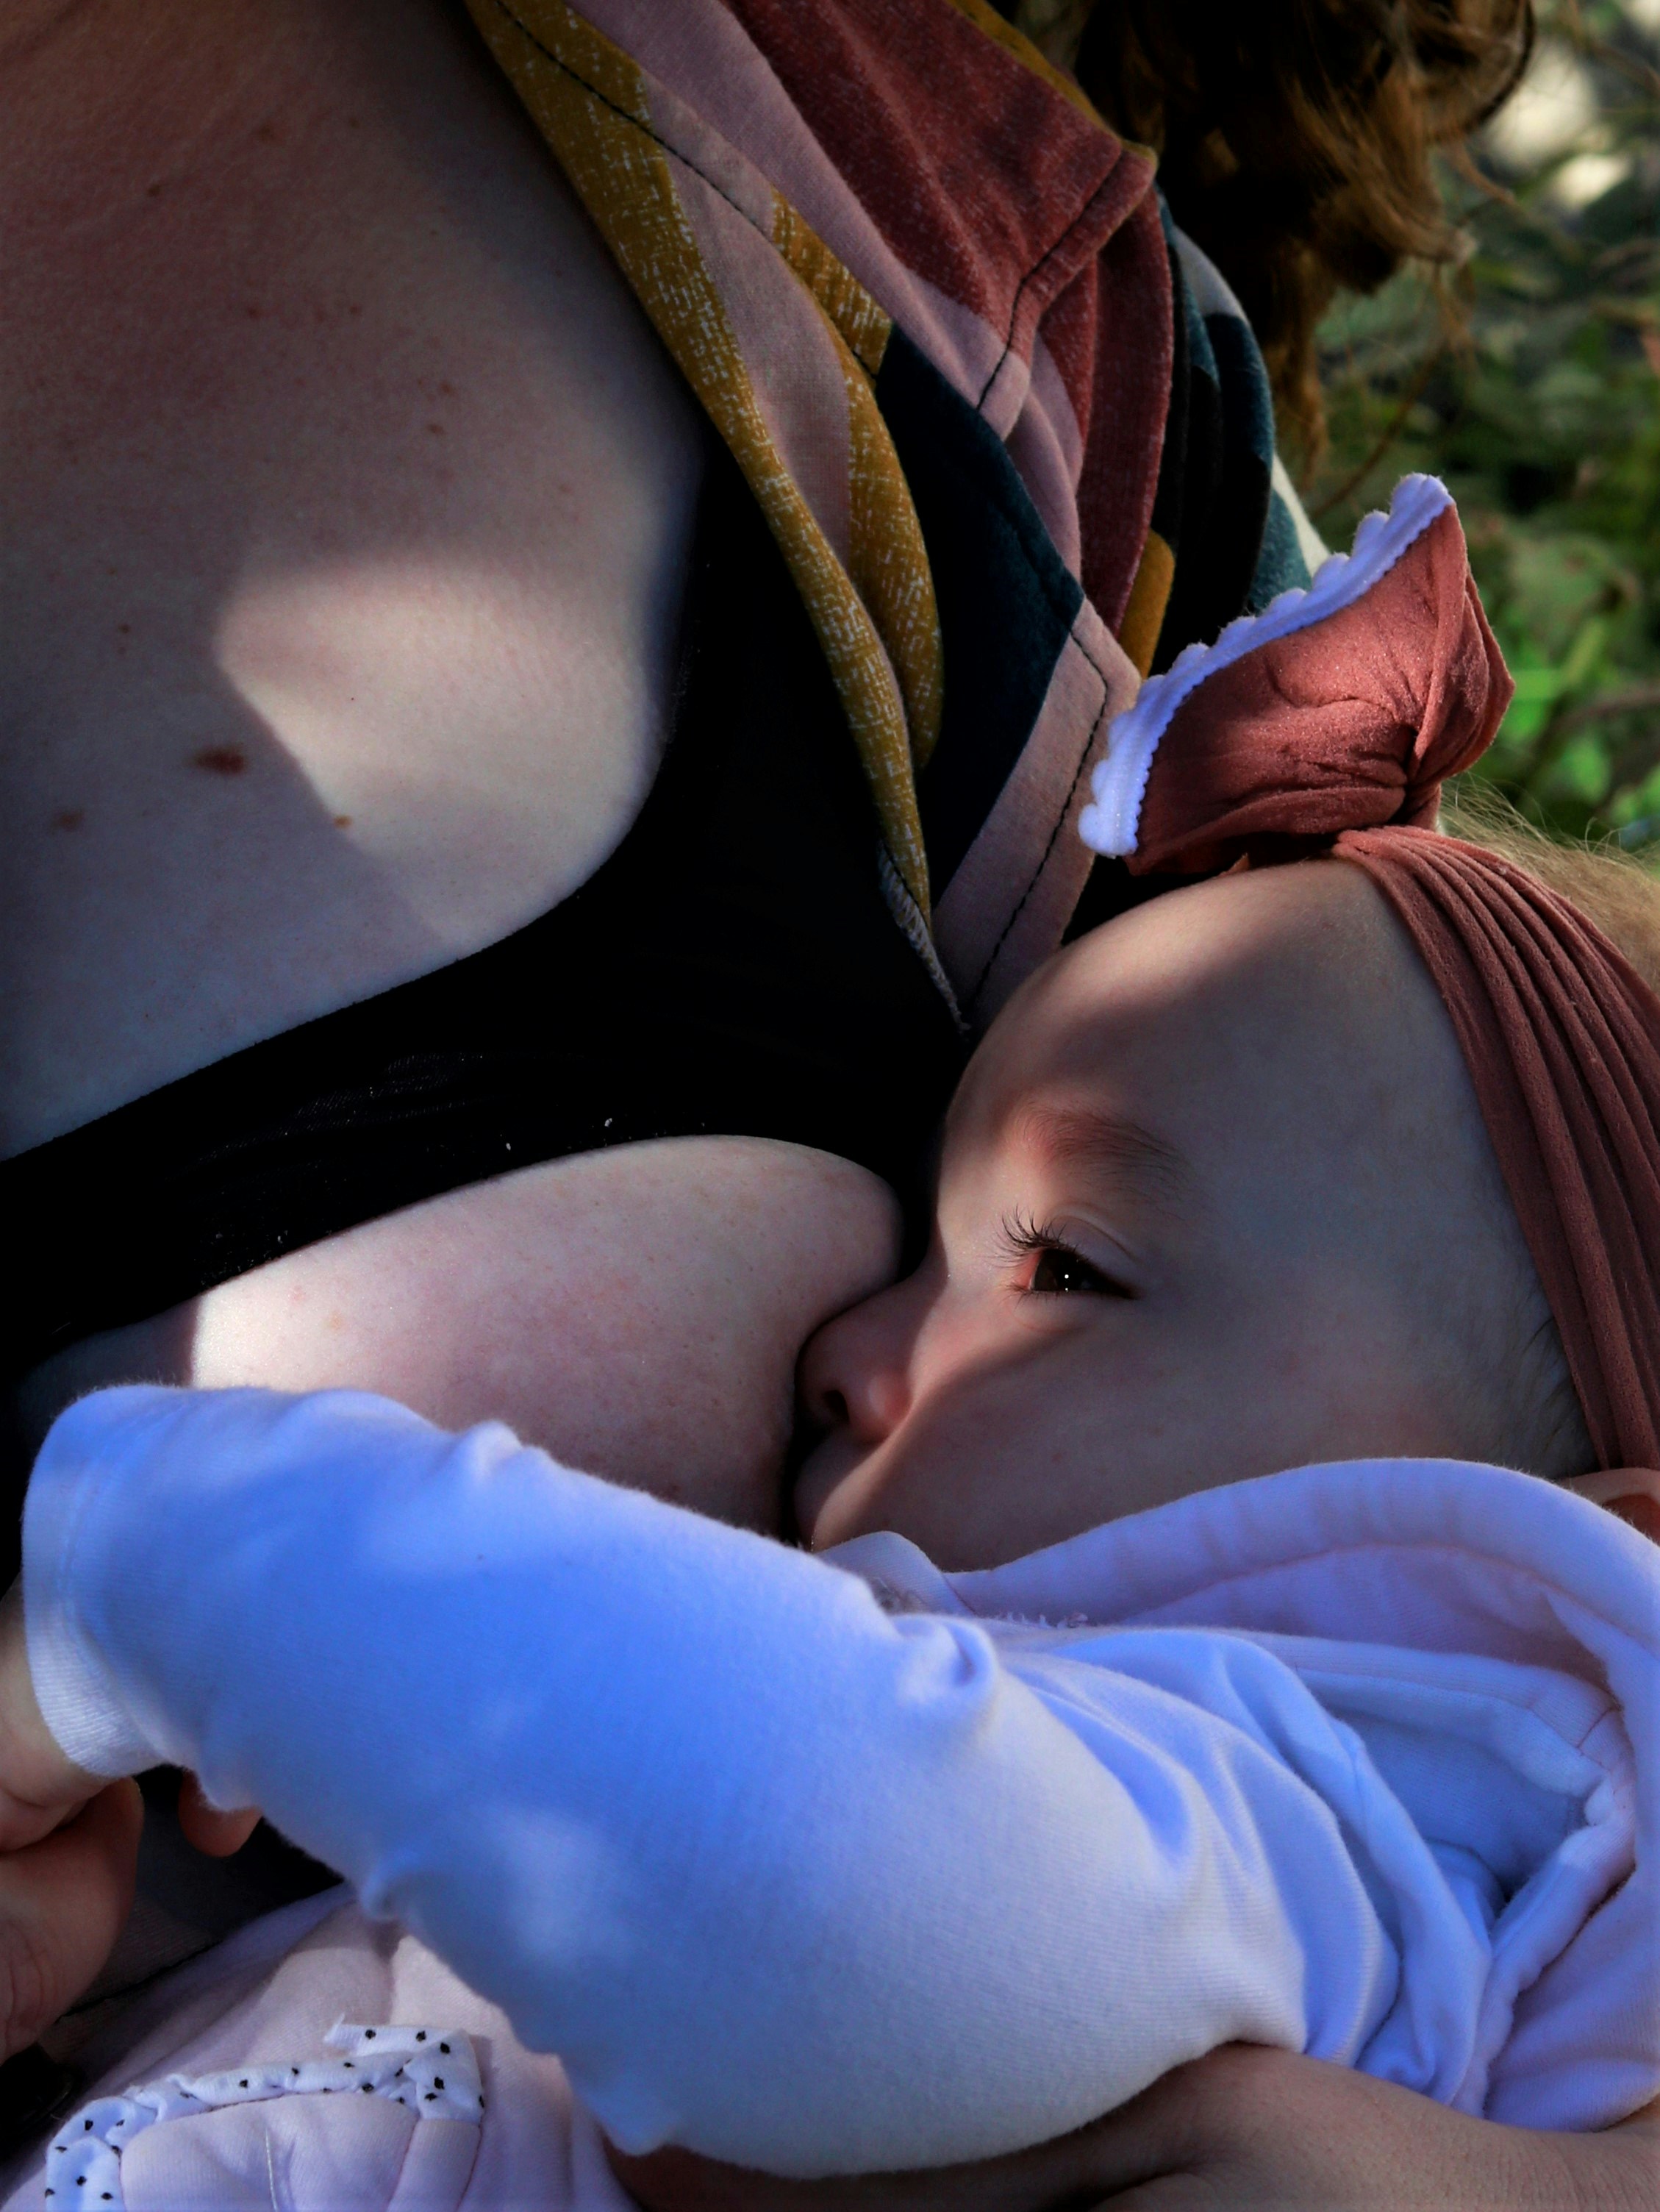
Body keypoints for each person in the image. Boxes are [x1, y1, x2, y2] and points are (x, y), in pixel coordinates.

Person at [2, 482, 1656, 2208]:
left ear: (1565, 1543)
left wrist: (184, 1584)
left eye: (1065, 1267)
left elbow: (814, 1876)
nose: (847, 1343)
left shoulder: (1344, 1785)